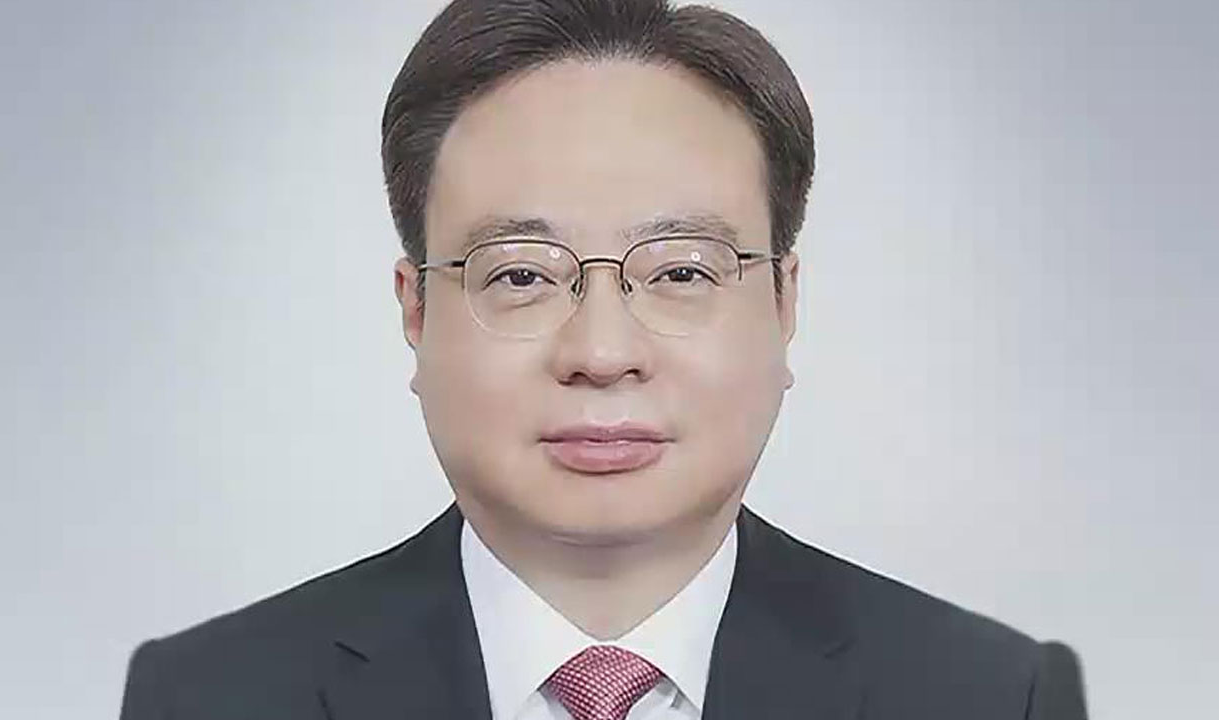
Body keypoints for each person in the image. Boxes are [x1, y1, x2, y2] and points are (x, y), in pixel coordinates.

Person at [119, 1, 1089, 718]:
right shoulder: (207, 697)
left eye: (680, 271)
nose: (600, 352)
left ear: (783, 304)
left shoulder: (992, 696)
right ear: (415, 310)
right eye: (520, 275)